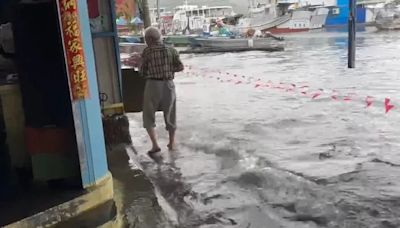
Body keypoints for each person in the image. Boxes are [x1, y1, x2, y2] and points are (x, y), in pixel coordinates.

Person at [140, 27, 184, 153]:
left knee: (148, 115)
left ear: (149, 39)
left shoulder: (147, 52)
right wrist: (169, 70)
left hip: (153, 84)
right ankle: (171, 143)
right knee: (170, 114)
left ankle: (155, 145)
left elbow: (142, 72)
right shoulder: (172, 50)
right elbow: (180, 67)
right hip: (169, 85)